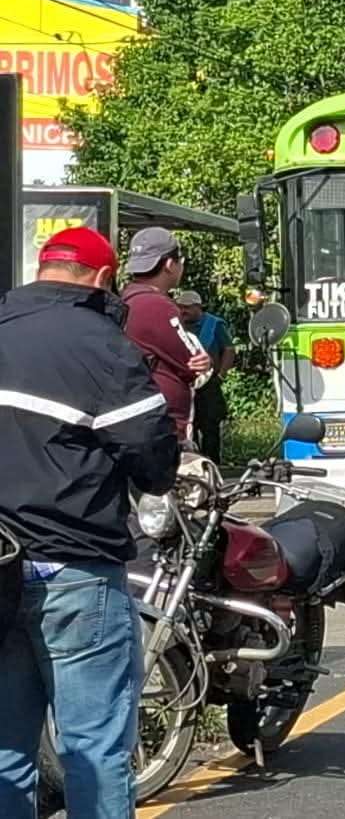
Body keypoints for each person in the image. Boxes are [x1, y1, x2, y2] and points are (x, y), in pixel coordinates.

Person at [0, 227, 180, 818]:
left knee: (5, 750)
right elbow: (153, 459)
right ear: (104, 280)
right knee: (92, 748)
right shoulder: (101, 345)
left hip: (1, 567)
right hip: (74, 568)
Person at [120, 228, 211, 440]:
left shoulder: (125, 299)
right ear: (170, 265)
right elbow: (192, 366)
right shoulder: (156, 306)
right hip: (162, 427)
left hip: (136, 419)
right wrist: (204, 364)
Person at [176, 290, 235, 463]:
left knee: (210, 427)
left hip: (209, 384)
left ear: (198, 307)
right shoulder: (178, 324)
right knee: (188, 427)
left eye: (187, 307)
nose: (183, 311)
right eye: (181, 307)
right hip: (186, 384)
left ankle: (213, 463)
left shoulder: (215, 325)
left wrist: (222, 375)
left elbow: (229, 350)